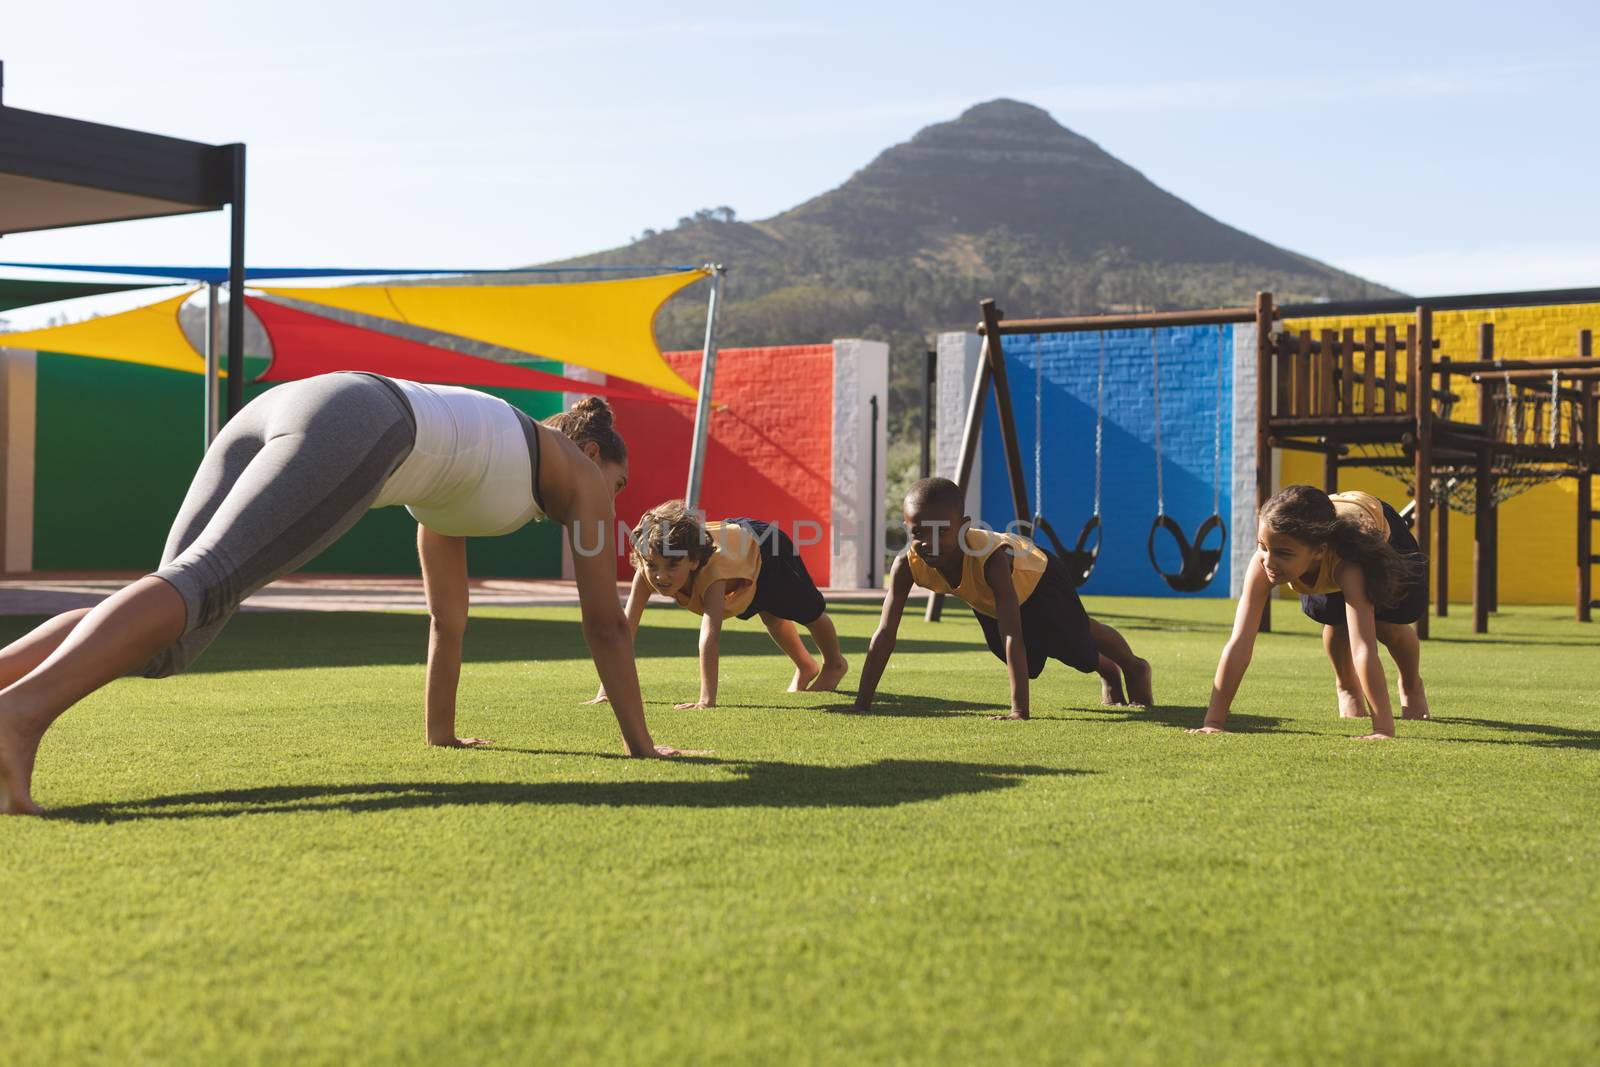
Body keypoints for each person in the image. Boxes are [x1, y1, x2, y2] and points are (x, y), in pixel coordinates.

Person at [0, 374, 692, 816]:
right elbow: (606, 626)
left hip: (291, 405)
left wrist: (441, 733)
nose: (613, 502)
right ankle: (21, 716)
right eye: (619, 486)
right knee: (201, 585)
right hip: (360, 415)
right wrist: (643, 747)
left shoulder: (479, 468)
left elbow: (446, 623)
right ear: (597, 459)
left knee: (169, 631)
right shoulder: (573, 474)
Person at [853, 477, 1152, 719]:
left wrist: (1018, 711)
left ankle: (1130, 667)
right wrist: (862, 704)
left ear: (963, 527)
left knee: (1078, 648)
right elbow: (885, 634)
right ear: (906, 529)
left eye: (942, 530)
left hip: (1039, 579)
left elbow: (1011, 632)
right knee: (1031, 665)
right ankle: (1107, 667)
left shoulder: (992, 560)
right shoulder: (907, 566)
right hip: (989, 601)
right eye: (918, 532)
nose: (928, 541)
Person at [1190, 484, 1429, 741]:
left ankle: (1411, 685)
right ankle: (1347, 686)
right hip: (1324, 527)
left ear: (1319, 552)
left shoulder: (1349, 565)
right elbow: (1239, 642)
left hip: (1377, 540)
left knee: (1386, 625)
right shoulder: (1266, 560)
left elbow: (1363, 648)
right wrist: (1214, 721)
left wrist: (1382, 729)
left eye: (1282, 553)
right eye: (1263, 546)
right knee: (1333, 618)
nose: (1268, 561)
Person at [588, 500, 848, 709]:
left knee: (807, 611)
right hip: (738, 548)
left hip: (768, 548)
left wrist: (705, 700)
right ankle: (806, 666)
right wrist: (607, 691)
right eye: (653, 565)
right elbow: (624, 629)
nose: (660, 576)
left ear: (692, 562)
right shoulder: (647, 570)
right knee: (771, 614)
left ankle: (834, 663)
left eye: (672, 566)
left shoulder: (712, 574)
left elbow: (709, 637)